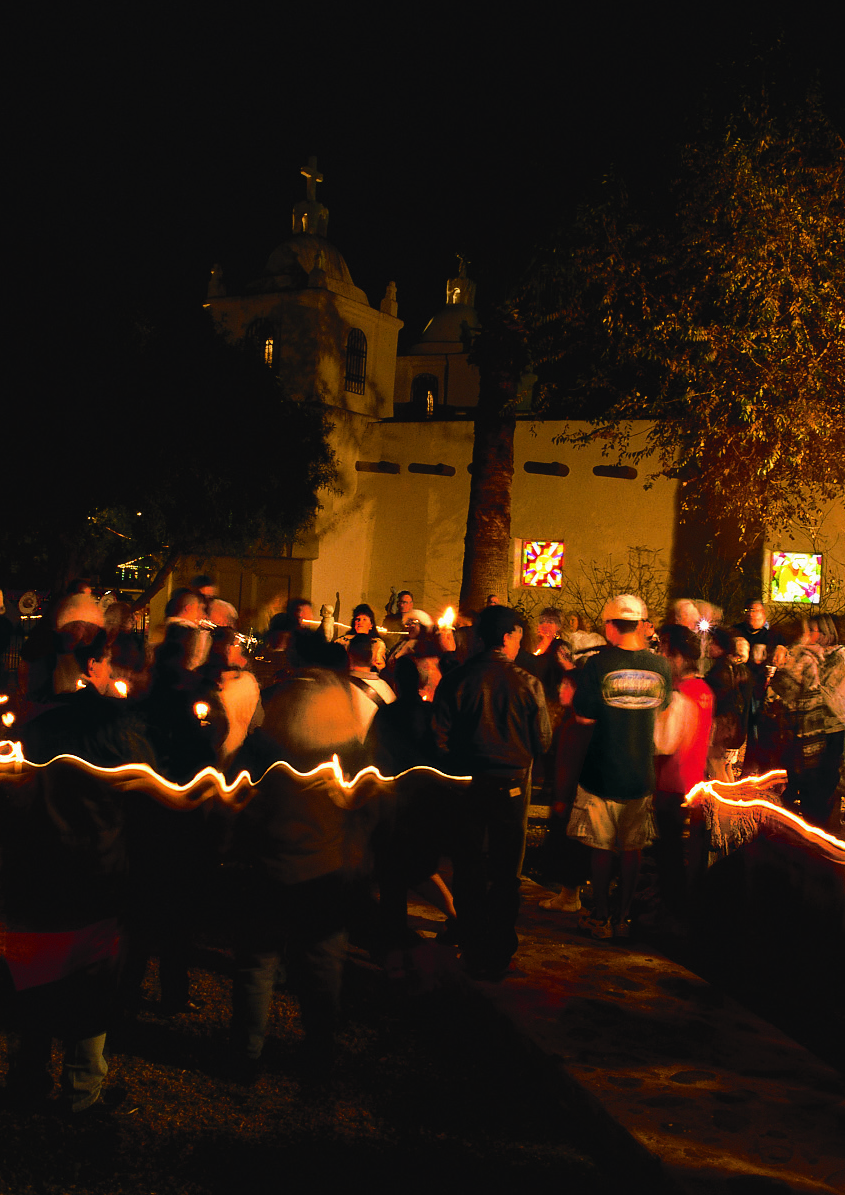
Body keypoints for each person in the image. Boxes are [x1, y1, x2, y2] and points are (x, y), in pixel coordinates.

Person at [432, 605, 551, 977]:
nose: (519, 646)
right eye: (518, 638)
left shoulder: (456, 680)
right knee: (505, 871)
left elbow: (439, 738)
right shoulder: (528, 683)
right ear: (505, 638)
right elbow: (543, 741)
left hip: (467, 783)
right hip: (512, 785)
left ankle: (470, 937)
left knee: (468, 865)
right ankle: (498, 945)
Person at [567, 594, 672, 940]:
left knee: (601, 848)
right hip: (641, 772)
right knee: (632, 849)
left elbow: (583, 715)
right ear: (641, 624)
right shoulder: (661, 667)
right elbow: (663, 707)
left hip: (601, 770)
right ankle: (623, 918)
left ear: (611, 626)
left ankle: (600, 916)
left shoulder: (597, 666)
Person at [335, 603, 387, 672]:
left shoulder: (377, 643)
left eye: (364, 619)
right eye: (358, 619)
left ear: (371, 625)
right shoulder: (343, 640)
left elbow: (379, 665)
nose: (360, 622)